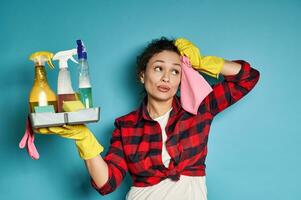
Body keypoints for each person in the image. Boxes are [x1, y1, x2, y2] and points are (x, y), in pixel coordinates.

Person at [38, 37, 260, 200]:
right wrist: (83, 138)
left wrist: (202, 62)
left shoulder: (198, 109)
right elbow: (106, 183)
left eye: (175, 71)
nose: (166, 77)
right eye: (158, 68)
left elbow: (247, 78)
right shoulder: (125, 126)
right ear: (142, 75)